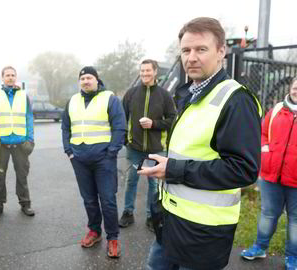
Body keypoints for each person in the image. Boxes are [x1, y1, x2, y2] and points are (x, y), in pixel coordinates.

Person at [138, 17, 262, 270]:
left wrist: (173, 170)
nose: (191, 57)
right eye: (186, 50)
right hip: (171, 224)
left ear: (221, 52)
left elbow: (243, 170)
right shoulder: (189, 94)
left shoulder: (235, 100)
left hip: (203, 236)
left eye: (201, 49)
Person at [61, 66, 126, 258]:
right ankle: (95, 232)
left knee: (107, 200)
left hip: (103, 160)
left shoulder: (110, 99)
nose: (86, 81)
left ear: (97, 80)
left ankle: (113, 238)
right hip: (79, 159)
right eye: (82, 79)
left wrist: (111, 152)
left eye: (89, 78)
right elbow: (65, 127)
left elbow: (120, 127)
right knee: (89, 200)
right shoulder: (72, 101)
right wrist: (69, 151)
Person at [241, 77, 297, 270]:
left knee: (295, 221)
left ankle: (292, 257)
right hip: (271, 175)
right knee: (268, 214)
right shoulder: (276, 110)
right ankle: (260, 247)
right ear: (291, 88)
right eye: (296, 87)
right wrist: (265, 150)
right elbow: (263, 132)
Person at [119, 59, 176, 230]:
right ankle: (128, 212)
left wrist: (154, 124)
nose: (144, 74)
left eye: (148, 71)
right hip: (134, 148)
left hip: (156, 150)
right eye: (142, 71)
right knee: (131, 180)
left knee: (154, 183)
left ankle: (152, 216)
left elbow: (173, 120)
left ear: (155, 72)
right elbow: (121, 119)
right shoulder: (131, 94)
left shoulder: (164, 95)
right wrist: (125, 140)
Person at [0, 66, 35, 218]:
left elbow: (29, 118)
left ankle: (25, 204)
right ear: (2, 77)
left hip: (20, 143)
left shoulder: (23, 96)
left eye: (13, 75)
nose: (11, 77)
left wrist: (30, 139)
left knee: (22, 175)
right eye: (7, 75)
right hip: (1, 144)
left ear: (16, 77)